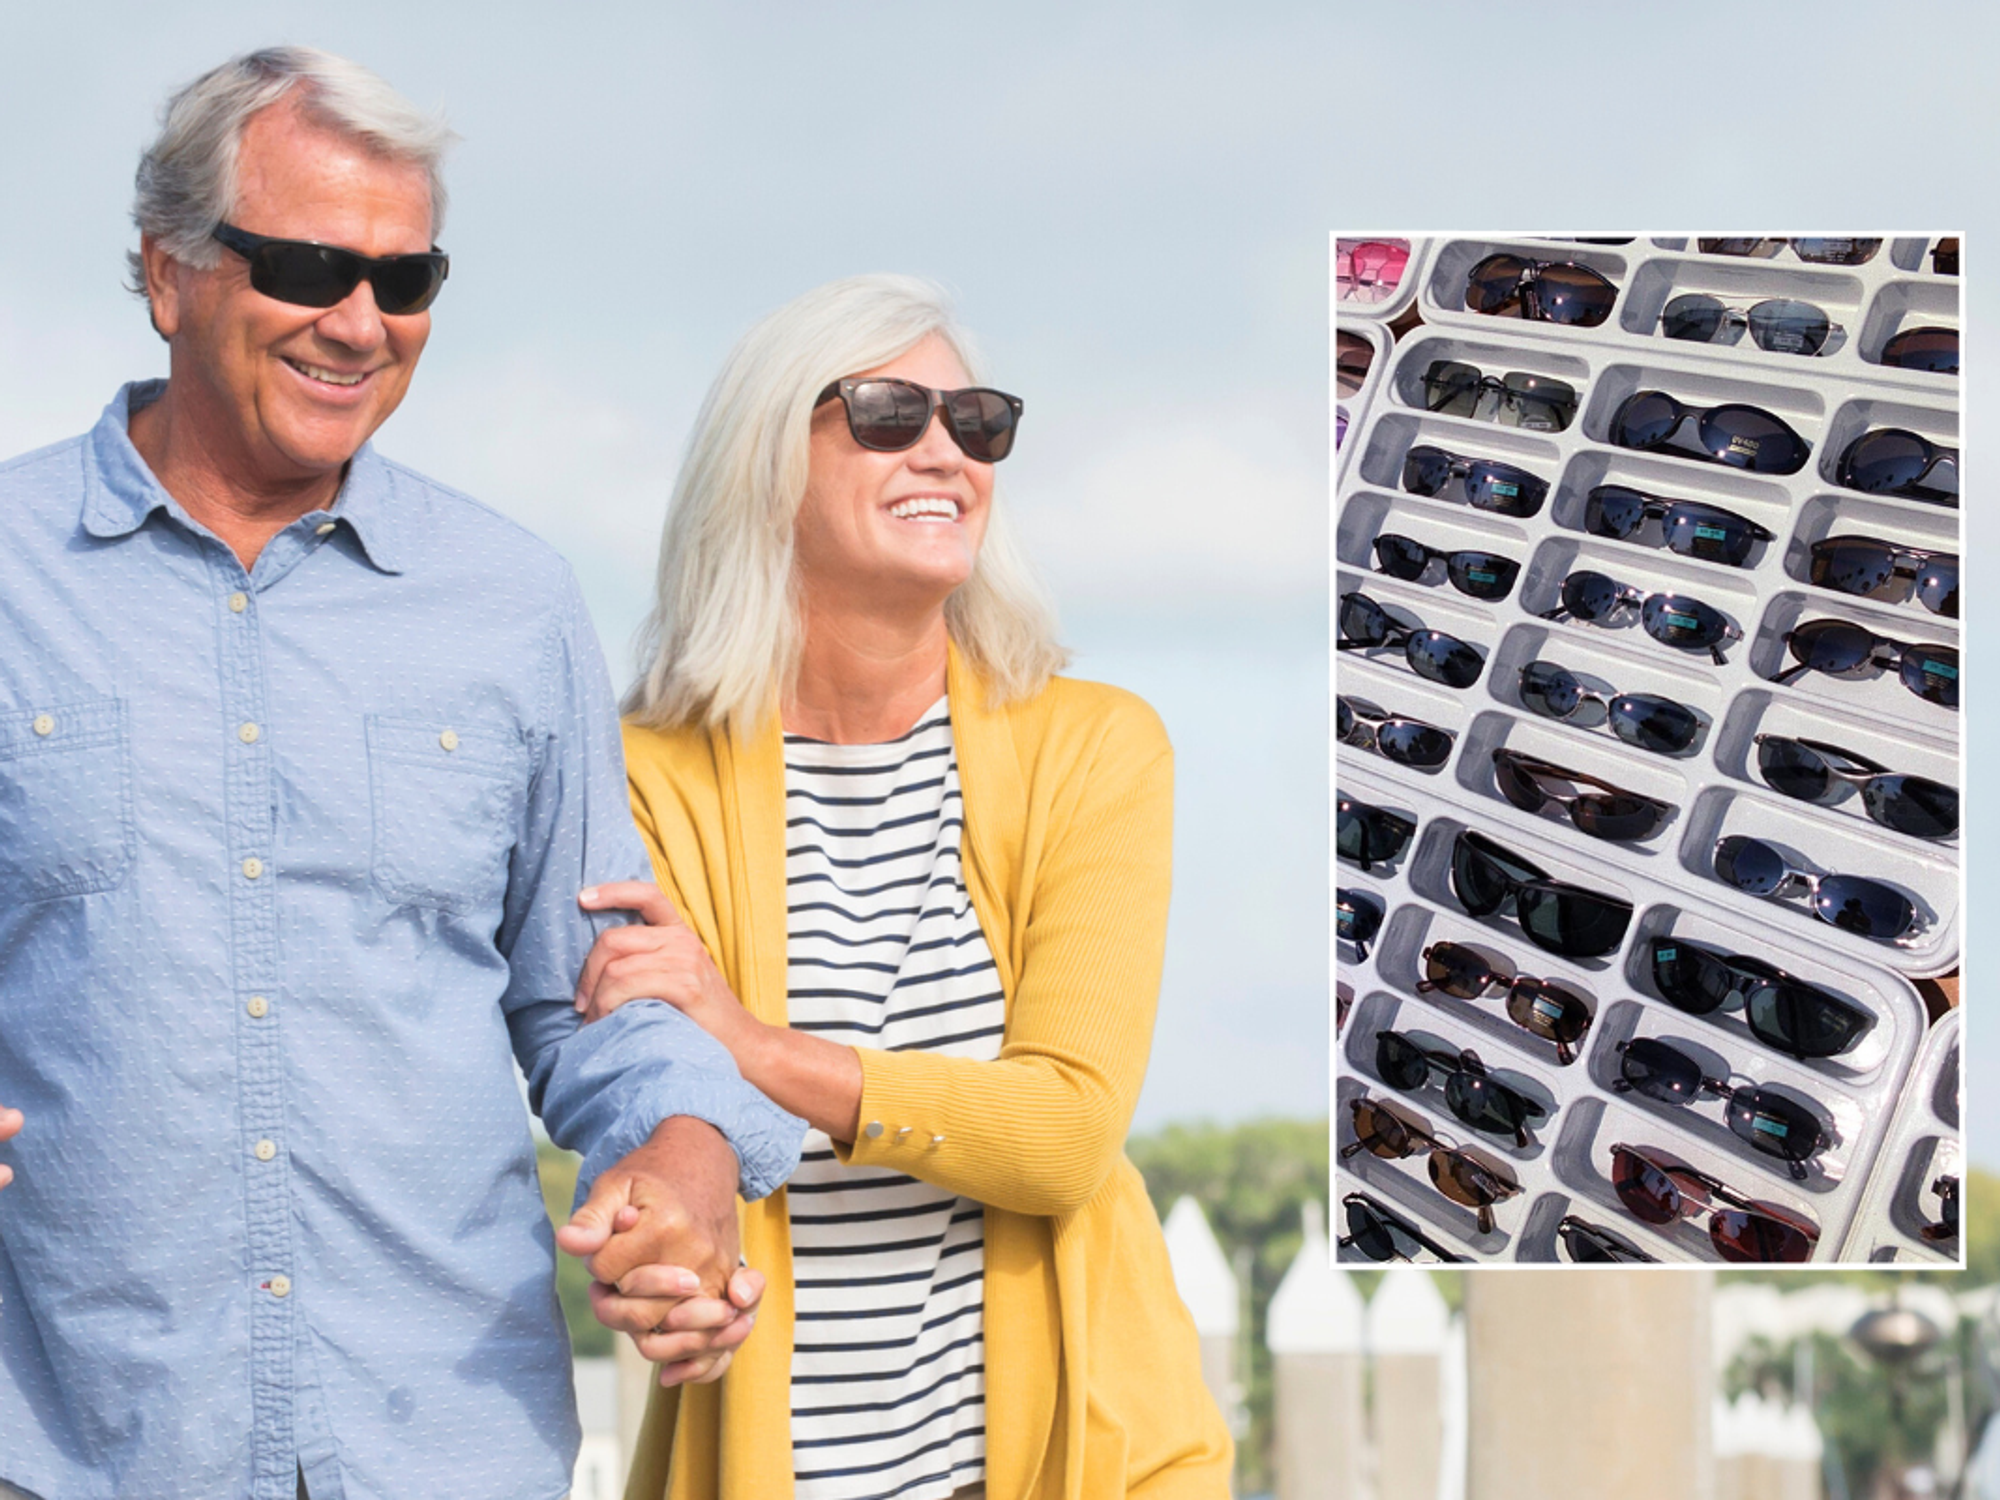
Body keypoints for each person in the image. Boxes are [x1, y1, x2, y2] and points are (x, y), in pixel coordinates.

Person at [0, 47, 803, 1500]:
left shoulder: (513, 600)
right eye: (308, 265)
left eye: (407, 280)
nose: (361, 323)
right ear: (168, 274)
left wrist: (688, 1160)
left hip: (445, 1452)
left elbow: (598, 998)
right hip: (74, 1452)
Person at [572, 275, 1233, 1499]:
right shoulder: (639, 774)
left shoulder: (1094, 747)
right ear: (765, 466)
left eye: (975, 423)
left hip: (1084, 1462)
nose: (946, 450)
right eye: (885, 415)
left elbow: (1064, 1135)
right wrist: (658, 1251)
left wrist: (749, 1041)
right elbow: (655, 1098)